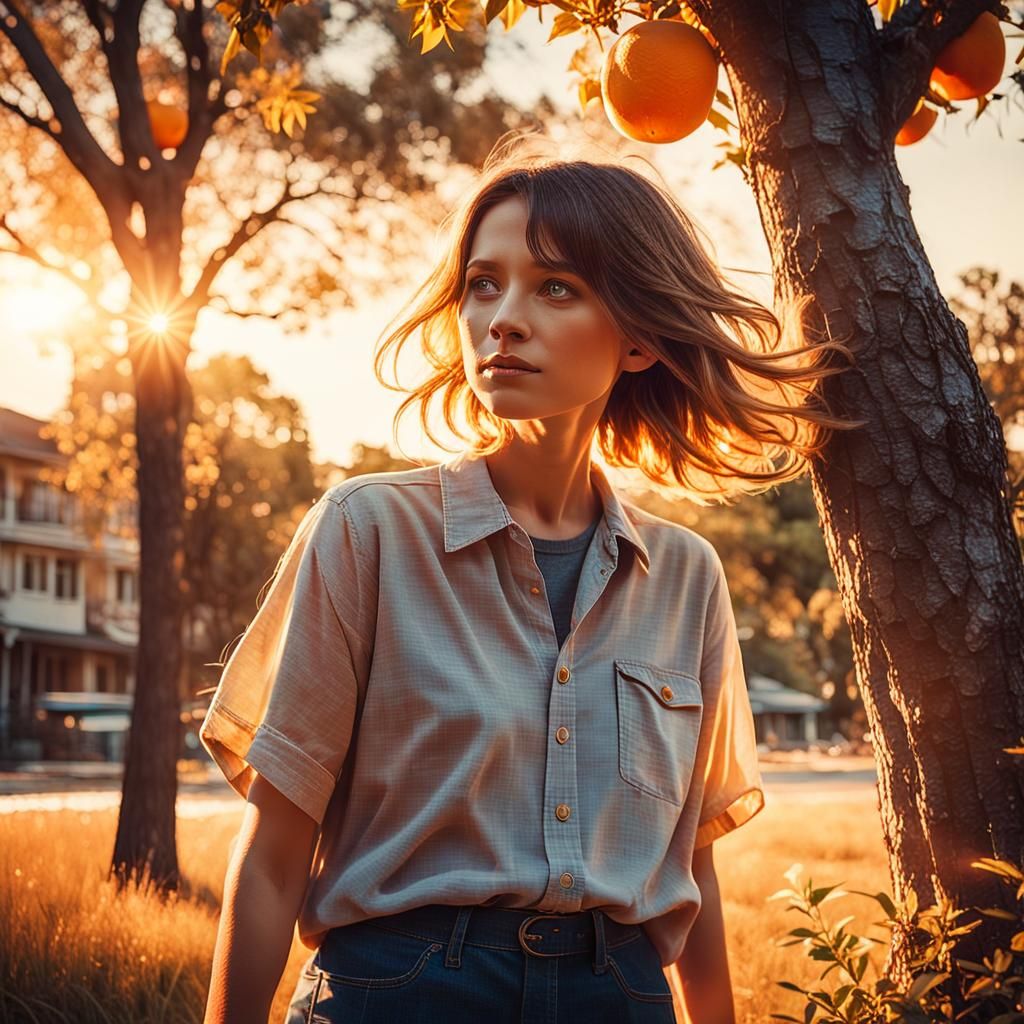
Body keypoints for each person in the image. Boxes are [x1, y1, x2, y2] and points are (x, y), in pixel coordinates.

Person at [199, 135, 864, 1024]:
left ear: (636, 338)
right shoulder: (368, 530)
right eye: (484, 283)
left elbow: (689, 862)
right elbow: (277, 853)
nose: (503, 318)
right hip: (399, 992)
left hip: (620, 993)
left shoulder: (686, 577)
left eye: (555, 286)